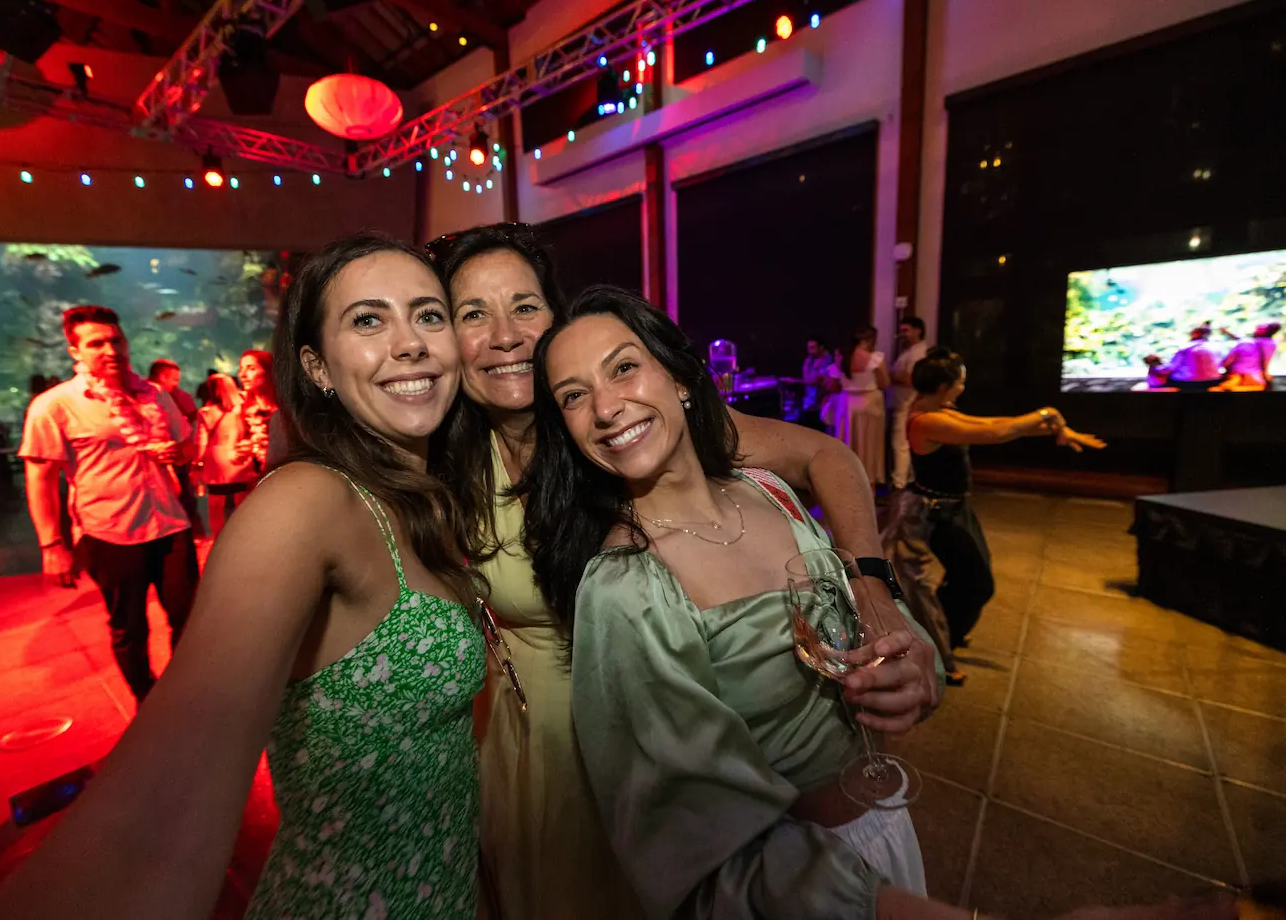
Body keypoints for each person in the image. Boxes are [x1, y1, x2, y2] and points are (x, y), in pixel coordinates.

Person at [522, 288, 1220, 920]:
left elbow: (854, 613)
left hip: (886, 827)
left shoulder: (766, 490)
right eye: (573, 396)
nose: (607, 406)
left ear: (678, 375)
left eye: (622, 368)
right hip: (809, 887)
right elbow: (709, 858)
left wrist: (912, 661)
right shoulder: (625, 587)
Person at [429, 223, 939, 920]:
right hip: (547, 740)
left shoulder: (648, 424)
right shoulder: (447, 463)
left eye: (524, 305)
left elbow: (826, 457)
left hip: (691, 740)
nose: (505, 334)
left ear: (556, 313)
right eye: (471, 314)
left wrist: (874, 593)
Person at [0, 234, 486, 920]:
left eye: (429, 315)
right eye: (368, 319)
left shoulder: (423, 493)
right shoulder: (305, 503)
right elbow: (158, 815)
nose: (410, 343)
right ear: (317, 367)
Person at [883, 348, 1105, 684]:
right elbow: (995, 434)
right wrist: (1048, 413)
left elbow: (994, 424)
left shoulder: (941, 409)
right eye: (960, 382)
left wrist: (1054, 428)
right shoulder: (927, 421)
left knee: (973, 578)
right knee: (976, 583)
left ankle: (949, 631)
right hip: (935, 517)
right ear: (945, 385)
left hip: (956, 510)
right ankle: (940, 647)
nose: (963, 387)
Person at [19, 306, 198, 703]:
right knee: (129, 627)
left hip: (170, 524)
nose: (110, 349)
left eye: (115, 340)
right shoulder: (55, 405)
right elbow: (40, 477)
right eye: (96, 343)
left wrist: (180, 451)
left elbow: (187, 445)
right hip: (111, 531)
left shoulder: (155, 395)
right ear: (75, 352)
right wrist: (52, 546)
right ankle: (147, 702)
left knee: (190, 617)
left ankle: (184, 696)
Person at [824, 326, 889, 489]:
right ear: (866, 340)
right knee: (870, 444)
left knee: (848, 441)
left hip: (847, 404)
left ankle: (846, 481)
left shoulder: (841, 360)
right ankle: (869, 484)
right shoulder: (875, 359)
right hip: (870, 404)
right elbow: (885, 383)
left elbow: (832, 386)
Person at [193, 373, 257, 539]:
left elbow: (201, 442)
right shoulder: (242, 409)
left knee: (216, 507)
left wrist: (197, 463)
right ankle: (247, 537)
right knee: (243, 504)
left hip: (216, 465)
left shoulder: (205, 413)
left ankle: (219, 541)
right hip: (240, 461)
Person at [149, 359, 205, 537]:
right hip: (166, 463)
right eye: (174, 379)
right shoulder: (158, 394)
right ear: (162, 377)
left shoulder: (179, 396)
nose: (176, 384)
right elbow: (187, 429)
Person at [889, 316, 931, 489]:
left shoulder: (919, 352)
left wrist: (889, 376)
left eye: (906, 330)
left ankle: (899, 482)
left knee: (900, 443)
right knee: (902, 442)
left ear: (918, 330)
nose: (903, 334)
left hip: (908, 401)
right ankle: (907, 477)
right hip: (901, 401)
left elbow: (912, 379)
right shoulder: (910, 350)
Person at [238, 349, 279, 473]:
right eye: (241, 368)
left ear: (267, 371)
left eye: (251, 368)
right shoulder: (242, 410)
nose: (242, 375)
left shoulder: (287, 409)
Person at [1216, 322, 1280, 391]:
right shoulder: (1265, 343)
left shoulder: (1266, 344)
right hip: (1251, 377)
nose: (1257, 327)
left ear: (1267, 330)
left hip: (1241, 377)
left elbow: (1266, 361)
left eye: (1261, 327)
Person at [1165, 323, 1223, 391]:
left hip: (1188, 383)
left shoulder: (1186, 347)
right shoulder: (1215, 347)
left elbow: (1171, 367)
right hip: (1213, 381)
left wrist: (1156, 368)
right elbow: (1221, 364)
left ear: (1195, 334)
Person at [148, 359, 200, 427]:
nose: (176, 384)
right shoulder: (177, 397)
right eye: (175, 380)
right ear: (162, 377)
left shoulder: (181, 397)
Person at [797, 336, 831, 430]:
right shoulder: (809, 360)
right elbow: (806, 377)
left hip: (822, 405)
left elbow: (817, 380)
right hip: (809, 404)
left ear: (821, 347)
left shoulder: (828, 361)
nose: (809, 351)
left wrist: (795, 381)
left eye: (812, 348)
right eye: (808, 348)